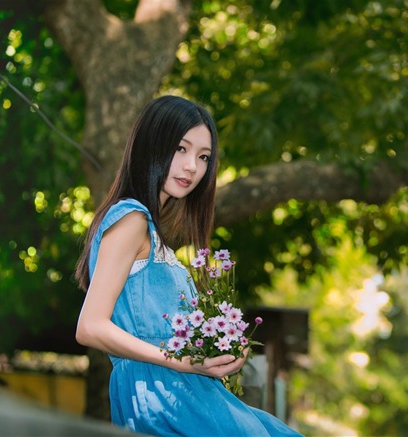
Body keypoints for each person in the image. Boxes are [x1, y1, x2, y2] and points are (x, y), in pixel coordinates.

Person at [74, 95, 303, 436]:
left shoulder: (153, 233)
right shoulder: (131, 219)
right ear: (151, 145)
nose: (193, 167)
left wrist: (219, 350)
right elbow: (90, 327)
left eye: (203, 157)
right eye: (181, 149)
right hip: (164, 395)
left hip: (186, 391)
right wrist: (182, 360)